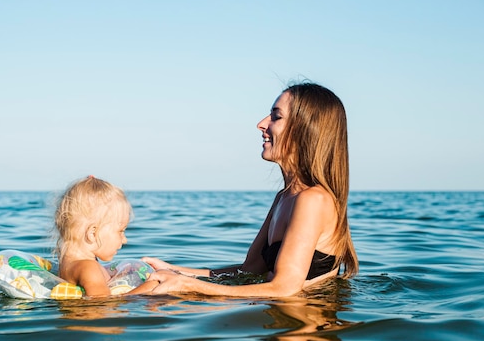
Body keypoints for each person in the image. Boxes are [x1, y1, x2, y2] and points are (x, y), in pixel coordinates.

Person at [142, 82, 358, 297]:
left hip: (304, 324)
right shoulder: (285, 198)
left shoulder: (314, 199)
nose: (262, 124)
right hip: (276, 321)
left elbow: (285, 288)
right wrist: (173, 271)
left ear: (305, 129)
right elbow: (247, 272)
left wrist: (189, 286)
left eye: (276, 116)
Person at [55, 175, 152, 297]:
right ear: (93, 233)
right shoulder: (88, 268)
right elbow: (102, 304)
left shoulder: (68, 262)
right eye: (121, 231)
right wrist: (148, 289)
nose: (125, 240)